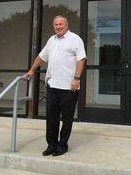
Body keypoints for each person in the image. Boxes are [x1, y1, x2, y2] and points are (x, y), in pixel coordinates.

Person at [26, 15, 86, 156]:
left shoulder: (75, 39)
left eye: (61, 24)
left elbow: (81, 59)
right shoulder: (51, 40)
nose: (58, 27)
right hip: (52, 85)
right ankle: (51, 145)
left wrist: (76, 78)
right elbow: (42, 57)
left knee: (66, 118)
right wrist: (32, 69)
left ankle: (62, 145)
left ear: (66, 25)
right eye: (56, 25)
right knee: (51, 117)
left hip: (69, 87)